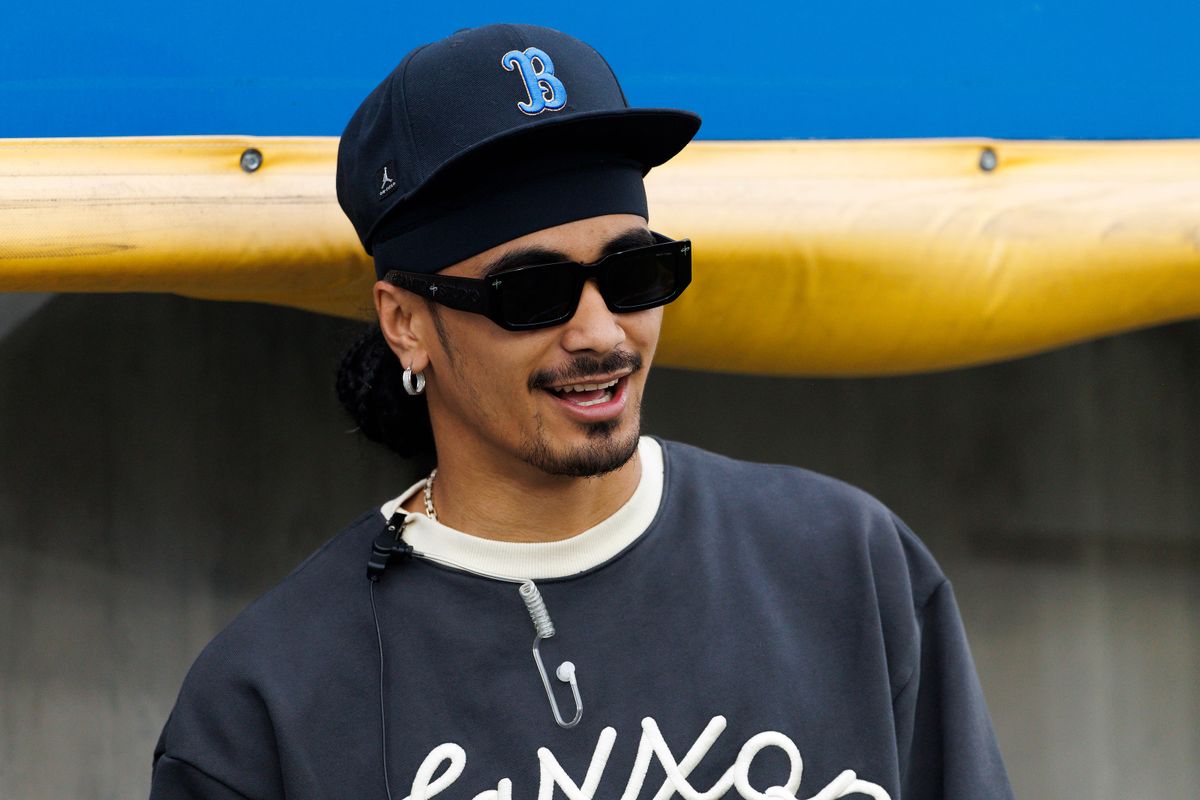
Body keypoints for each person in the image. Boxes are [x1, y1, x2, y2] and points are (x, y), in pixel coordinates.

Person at [149, 23, 1014, 800]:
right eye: (534, 291)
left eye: (635, 274)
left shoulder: (849, 566)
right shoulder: (268, 704)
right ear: (406, 323)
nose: (600, 333)